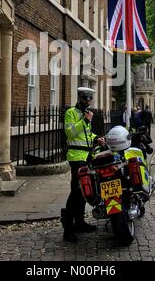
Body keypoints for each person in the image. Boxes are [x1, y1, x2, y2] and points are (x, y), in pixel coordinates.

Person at [61, 87, 106, 243]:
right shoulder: (71, 113)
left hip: (87, 156)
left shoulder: (86, 114)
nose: (87, 102)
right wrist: (85, 120)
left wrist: (96, 138)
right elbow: (70, 132)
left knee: (83, 192)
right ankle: (68, 229)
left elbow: (86, 134)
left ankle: (79, 223)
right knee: (75, 191)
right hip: (76, 157)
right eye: (85, 99)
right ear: (79, 97)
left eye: (89, 99)